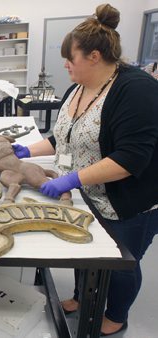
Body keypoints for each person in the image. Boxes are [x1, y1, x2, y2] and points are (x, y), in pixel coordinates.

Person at [13, 4, 158, 336]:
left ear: (94, 56)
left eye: (71, 58)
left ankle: (117, 315)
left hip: (130, 201)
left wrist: (72, 178)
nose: (65, 64)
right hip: (90, 193)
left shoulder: (136, 90)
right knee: (85, 248)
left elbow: (129, 159)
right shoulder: (77, 87)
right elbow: (61, 136)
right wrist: (25, 150)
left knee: (121, 261)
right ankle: (82, 297)